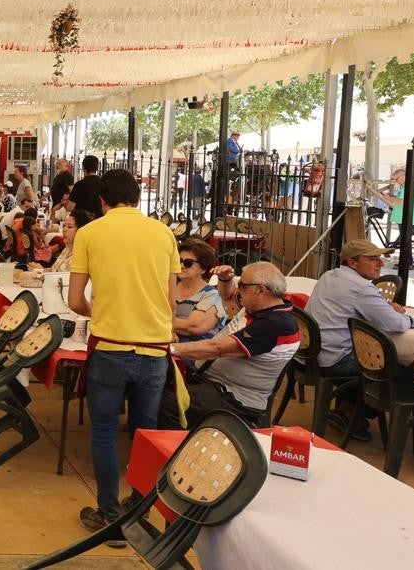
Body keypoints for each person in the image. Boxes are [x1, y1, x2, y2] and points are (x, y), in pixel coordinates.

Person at [68, 168, 179, 540]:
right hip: (154, 349)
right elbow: (171, 302)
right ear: (138, 197)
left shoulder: (90, 232)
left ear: (101, 200)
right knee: (146, 434)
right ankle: (140, 511)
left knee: (103, 433)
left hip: (110, 348)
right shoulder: (163, 234)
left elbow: (74, 301)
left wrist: (96, 312)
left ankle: (109, 517)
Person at [304, 239, 414, 440]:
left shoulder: (329, 275)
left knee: (370, 360)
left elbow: (366, 309)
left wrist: (385, 309)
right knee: (403, 372)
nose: (381, 264)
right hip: (333, 360)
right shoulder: (360, 288)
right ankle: (352, 415)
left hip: (311, 355)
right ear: (352, 263)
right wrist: (407, 317)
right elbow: (396, 324)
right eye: (373, 259)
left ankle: (346, 411)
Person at [160, 261, 299, 427]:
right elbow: (228, 296)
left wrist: (168, 348)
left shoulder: (275, 324)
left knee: (165, 402)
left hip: (233, 397)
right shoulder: (261, 307)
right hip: (212, 381)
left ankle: (175, 449)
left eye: (243, 285)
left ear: (261, 290)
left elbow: (216, 350)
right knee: (155, 383)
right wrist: (225, 280)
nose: (239, 289)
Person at [171, 239, 226, 343]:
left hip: (195, 354)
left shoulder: (213, 296)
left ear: (203, 268)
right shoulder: (168, 287)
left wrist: (157, 323)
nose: (181, 266)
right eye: (178, 261)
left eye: (188, 263)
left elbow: (193, 326)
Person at [381, 166, 414, 249]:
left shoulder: (408, 186)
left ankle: (406, 261)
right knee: (404, 242)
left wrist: (389, 198)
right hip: (408, 217)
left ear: (403, 176)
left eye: (396, 179)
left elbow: (402, 201)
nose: (395, 182)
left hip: (406, 217)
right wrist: (392, 197)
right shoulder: (413, 184)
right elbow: (404, 199)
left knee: (405, 243)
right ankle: (407, 261)